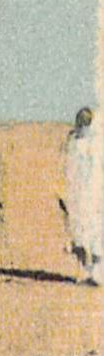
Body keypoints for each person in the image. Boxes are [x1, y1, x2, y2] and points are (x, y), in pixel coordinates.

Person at [61, 106, 103, 285]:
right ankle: (83, 271)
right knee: (79, 232)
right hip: (77, 193)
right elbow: (67, 169)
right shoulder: (73, 142)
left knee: (92, 232)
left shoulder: (95, 143)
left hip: (91, 193)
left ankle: (93, 272)